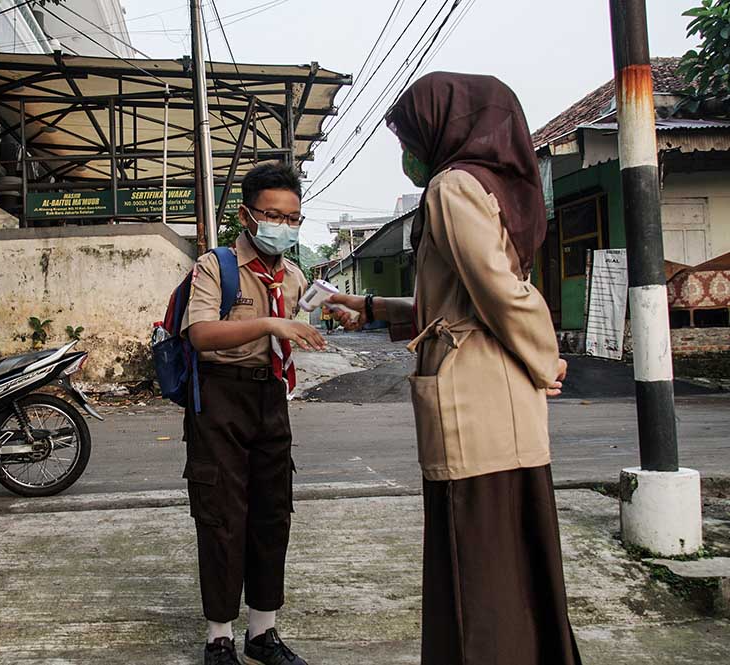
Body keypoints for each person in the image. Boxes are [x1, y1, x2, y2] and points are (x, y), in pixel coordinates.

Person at [329, 72, 582, 665]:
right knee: (518, 557)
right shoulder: (491, 187)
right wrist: (367, 305)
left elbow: (498, 292)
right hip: (503, 399)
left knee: (477, 566)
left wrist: (549, 359)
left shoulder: (450, 186)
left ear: (445, 126)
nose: (408, 155)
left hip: (476, 399)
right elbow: (455, 298)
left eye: (409, 139)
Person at [181, 162, 327, 665]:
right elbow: (200, 334)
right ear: (247, 214)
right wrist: (269, 323)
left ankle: (263, 633)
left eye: (293, 219)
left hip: (271, 400)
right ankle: (219, 636)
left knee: (272, 514)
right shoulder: (214, 267)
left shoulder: (293, 274)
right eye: (273, 216)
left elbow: (302, 323)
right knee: (222, 515)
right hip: (220, 398)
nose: (283, 227)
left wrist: (328, 317)